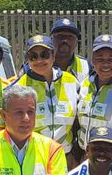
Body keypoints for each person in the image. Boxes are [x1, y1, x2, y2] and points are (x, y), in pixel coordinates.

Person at [11, 34, 80, 162]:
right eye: (33, 56)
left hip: (64, 156)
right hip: (32, 157)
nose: (39, 60)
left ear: (53, 56)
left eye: (44, 55)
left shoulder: (71, 81)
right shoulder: (18, 88)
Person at [75, 35, 112, 153]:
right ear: (92, 60)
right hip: (87, 155)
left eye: (111, 60)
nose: (105, 65)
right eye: (100, 59)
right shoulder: (84, 84)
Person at [51, 18, 90, 85]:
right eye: (60, 36)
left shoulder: (87, 66)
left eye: (70, 37)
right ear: (51, 40)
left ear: (76, 42)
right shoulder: (38, 65)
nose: (65, 40)